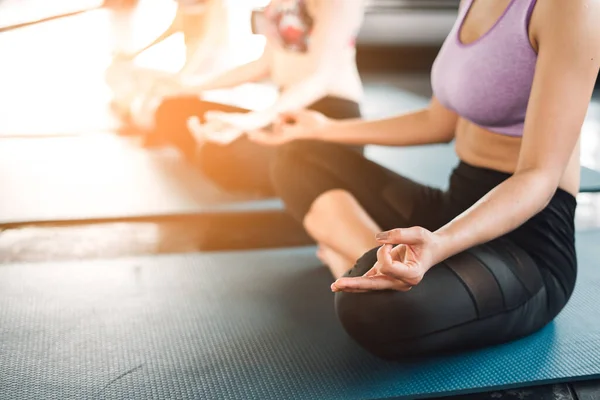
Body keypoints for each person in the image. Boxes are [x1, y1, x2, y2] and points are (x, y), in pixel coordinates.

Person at [250, 0, 600, 360]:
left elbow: (538, 176)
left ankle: (353, 263)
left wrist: (440, 243)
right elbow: (437, 122)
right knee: (300, 156)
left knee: (375, 313)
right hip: (453, 207)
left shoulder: (569, 7)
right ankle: (376, 265)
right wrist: (326, 129)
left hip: (525, 244)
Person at [147, 0, 366, 196]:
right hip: (286, 113)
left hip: (331, 120)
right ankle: (210, 146)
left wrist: (252, 121)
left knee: (219, 155)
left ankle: (215, 151)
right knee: (171, 110)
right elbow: (262, 65)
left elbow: (320, 77)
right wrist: (189, 87)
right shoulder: (277, 4)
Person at [105, 0, 228, 127]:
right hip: (191, 60)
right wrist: (136, 53)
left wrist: (184, 74)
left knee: (162, 89)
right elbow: (172, 29)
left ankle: (148, 125)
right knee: (144, 82)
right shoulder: (183, 4)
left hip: (208, 64)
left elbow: (208, 42)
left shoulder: (215, 4)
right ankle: (138, 120)